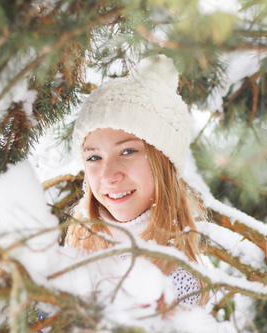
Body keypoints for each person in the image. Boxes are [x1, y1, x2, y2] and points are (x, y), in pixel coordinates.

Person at [65, 56, 207, 307]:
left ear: (163, 164)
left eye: (128, 151)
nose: (109, 175)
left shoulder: (175, 278)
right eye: (94, 157)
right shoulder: (76, 247)